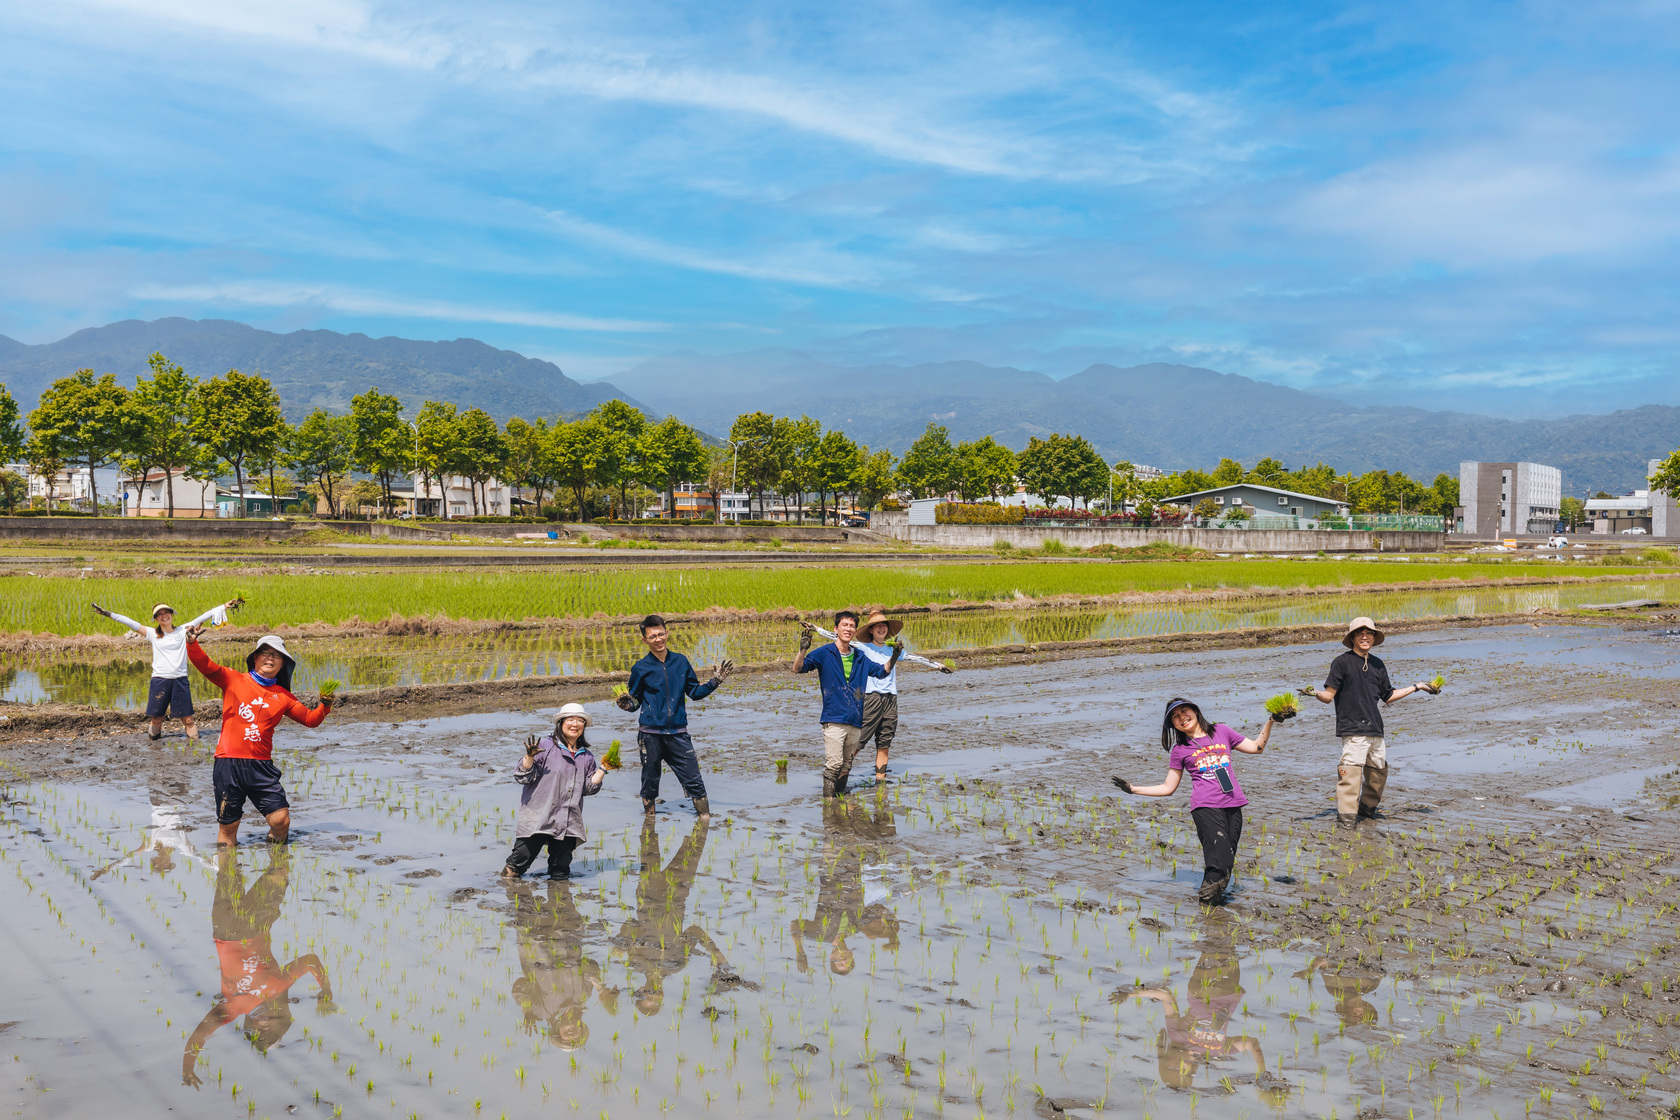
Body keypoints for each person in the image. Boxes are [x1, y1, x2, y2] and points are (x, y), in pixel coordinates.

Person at [181, 847, 332, 1087]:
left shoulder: (234, 1006)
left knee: (227, 866)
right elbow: (311, 960)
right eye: (268, 1032)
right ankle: (277, 835)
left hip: (224, 928)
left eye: (256, 1033)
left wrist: (187, 1068)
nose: (261, 1028)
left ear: (249, 1025)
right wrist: (325, 988)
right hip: (258, 922)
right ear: (280, 1022)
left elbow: (200, 1034)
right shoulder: (280, 984)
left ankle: (229, 816)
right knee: (279, 870)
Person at [1110, 697, 1284, 905]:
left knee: (1226, 858)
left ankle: (1211, 906)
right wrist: (1134, 789)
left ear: (1195, 711)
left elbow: (1257, 748)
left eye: (1184, 711)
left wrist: (1271, 721)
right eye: (1175, 717)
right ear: (1173, 725)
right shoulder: (1180, 750)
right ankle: (1206, 902)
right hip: (1205, 806)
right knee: (1221, 858)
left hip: (1233, 803)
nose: (1181, 718)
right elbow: (1168, 787)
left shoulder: (1222, 731)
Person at [185, 628, 332, 846]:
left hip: (261, 767)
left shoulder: (284, 696)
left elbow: (310, 720)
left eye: (277, 655)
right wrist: (192, 643)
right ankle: (227, 876)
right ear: (255, 657)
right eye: (265, 652)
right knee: (228, 828)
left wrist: (325, 705)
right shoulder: (233, 679)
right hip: (229, 764)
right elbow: (206, 666)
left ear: (283, 664)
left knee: (281, 821)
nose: (270, 658)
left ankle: (275, 870)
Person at [1301, 616, 1439, 830]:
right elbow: (1329, 695)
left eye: (1369, 633)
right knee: (1350, 777)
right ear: (1353, 637)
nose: (1365, 636)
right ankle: (1346, 822)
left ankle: (1366, 815)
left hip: (1375, 729)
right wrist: (1315, 693)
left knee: (1377, 776)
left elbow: (1388, 695)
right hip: (1353, 729)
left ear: (1374, 637)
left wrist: (1417, 686)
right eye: (1360, 633)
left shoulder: (1377, 664)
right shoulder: (1342, 662)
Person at [612, 818, 735, 1015]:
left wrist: (622, 940)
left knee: (648, 844)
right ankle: (703, 817)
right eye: (657, 998)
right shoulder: (677, 964)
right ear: (663, 997)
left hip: (648, 895)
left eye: (648, 995)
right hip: (676, 894)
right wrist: (715, 950)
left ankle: (649, 809)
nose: (654, 993)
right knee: (694, 846)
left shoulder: (635, 962)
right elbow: (693, 931)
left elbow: (630, 924)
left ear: (640, 990)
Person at [812, 610, 953, 780]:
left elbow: (915, 657)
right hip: (871, 698)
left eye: (883, 626)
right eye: (877, 626)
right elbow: (836, 637)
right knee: (859, 741)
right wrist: (815, 628)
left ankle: (881, 782)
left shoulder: (894, 650)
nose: (881, 628)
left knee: (884, 742)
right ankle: (840, 774)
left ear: (887, 630)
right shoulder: (863, 647)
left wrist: (938, 665)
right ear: (870, 630)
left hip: (890, 699)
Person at [616, 614, 733, 819]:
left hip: (678, 733)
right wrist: (626, 705)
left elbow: (694, 692)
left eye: (661, 634)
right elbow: (635, 702)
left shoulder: (680, 661)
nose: (658, 639)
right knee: (650, 780)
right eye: (652, 636)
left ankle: (704, 820)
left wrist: (715, 682)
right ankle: (649, 822)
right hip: (650, 734)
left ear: (667, 633)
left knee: (694, 780)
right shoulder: (640, 668)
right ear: (645, 640)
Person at [92, 597, 243, 741]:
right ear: (156, 619)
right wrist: (107, 613)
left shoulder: (183, 630)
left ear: (171, 615)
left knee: (188, 719)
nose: (164, 616)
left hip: (180, 680)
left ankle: (194, 746)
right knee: (157, 719)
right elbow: (130, 622)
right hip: (160, 680)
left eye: (166, 612)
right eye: (160, 614)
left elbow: (204, 616)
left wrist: (224, 606)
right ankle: (153, 745)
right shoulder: (152, 634)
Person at [795, 611, 903, 796]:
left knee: (847, 764)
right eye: (845, 625)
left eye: (852, 626)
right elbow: (798, 668)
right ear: (836, 629)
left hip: (855, 719)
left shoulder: (860, 656)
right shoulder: (825, 653)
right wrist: (802, 650)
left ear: (854, 631)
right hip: (834, 718)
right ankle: (829, 804)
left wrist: (894, 657)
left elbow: (881, 672)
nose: (848, 629)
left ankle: (838, 798)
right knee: (834, 764)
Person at [505, 877, 615, 1051]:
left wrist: (526, 1009)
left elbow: (520, 986)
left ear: (557, 1031)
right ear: (581, 1029)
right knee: (561, 888)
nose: (571, 1036)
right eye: (576, 1038)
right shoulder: (583, 996)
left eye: (566, 1038)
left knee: (521, 888)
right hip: (568, 933)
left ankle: (513, 873)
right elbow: (590, 964)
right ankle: (556, 865)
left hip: (537, 938)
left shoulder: (543, 1011)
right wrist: (599, 985)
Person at [503, 702, 606, 879]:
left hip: (568, 818)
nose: (575, 724)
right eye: (570, 719)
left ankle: (559, 902)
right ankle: (506, 892)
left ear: (584, 726)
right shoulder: (544, 746)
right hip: (539, 815)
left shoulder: (586, 756)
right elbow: (523, 777)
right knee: (519, 861)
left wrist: (603, 769)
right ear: (560, 722)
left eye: (580, 720)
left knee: (561, 870)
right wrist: (529, 757)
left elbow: (588, 788)